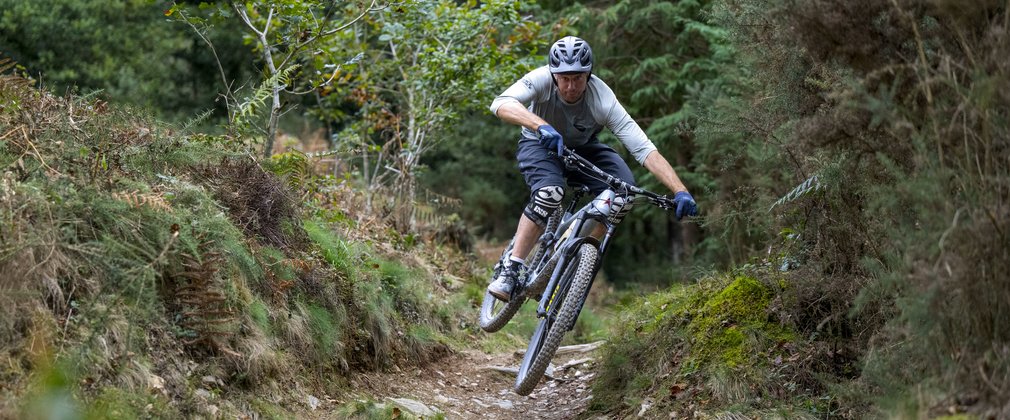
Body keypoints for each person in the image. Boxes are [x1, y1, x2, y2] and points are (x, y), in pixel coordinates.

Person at [486, 35, 698, 302]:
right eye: (564, 78)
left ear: (589, 75)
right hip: (538, 144)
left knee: (624, 194)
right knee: (550, 193)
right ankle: (511, 268)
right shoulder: (540, 79)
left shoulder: (603, 99)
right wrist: (540, 126)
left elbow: (644, 149)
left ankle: (576, 261)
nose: (571, 86)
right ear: (554, 75)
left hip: (582, 148)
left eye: (578, 78)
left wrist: (680, 190)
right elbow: (501, 104)